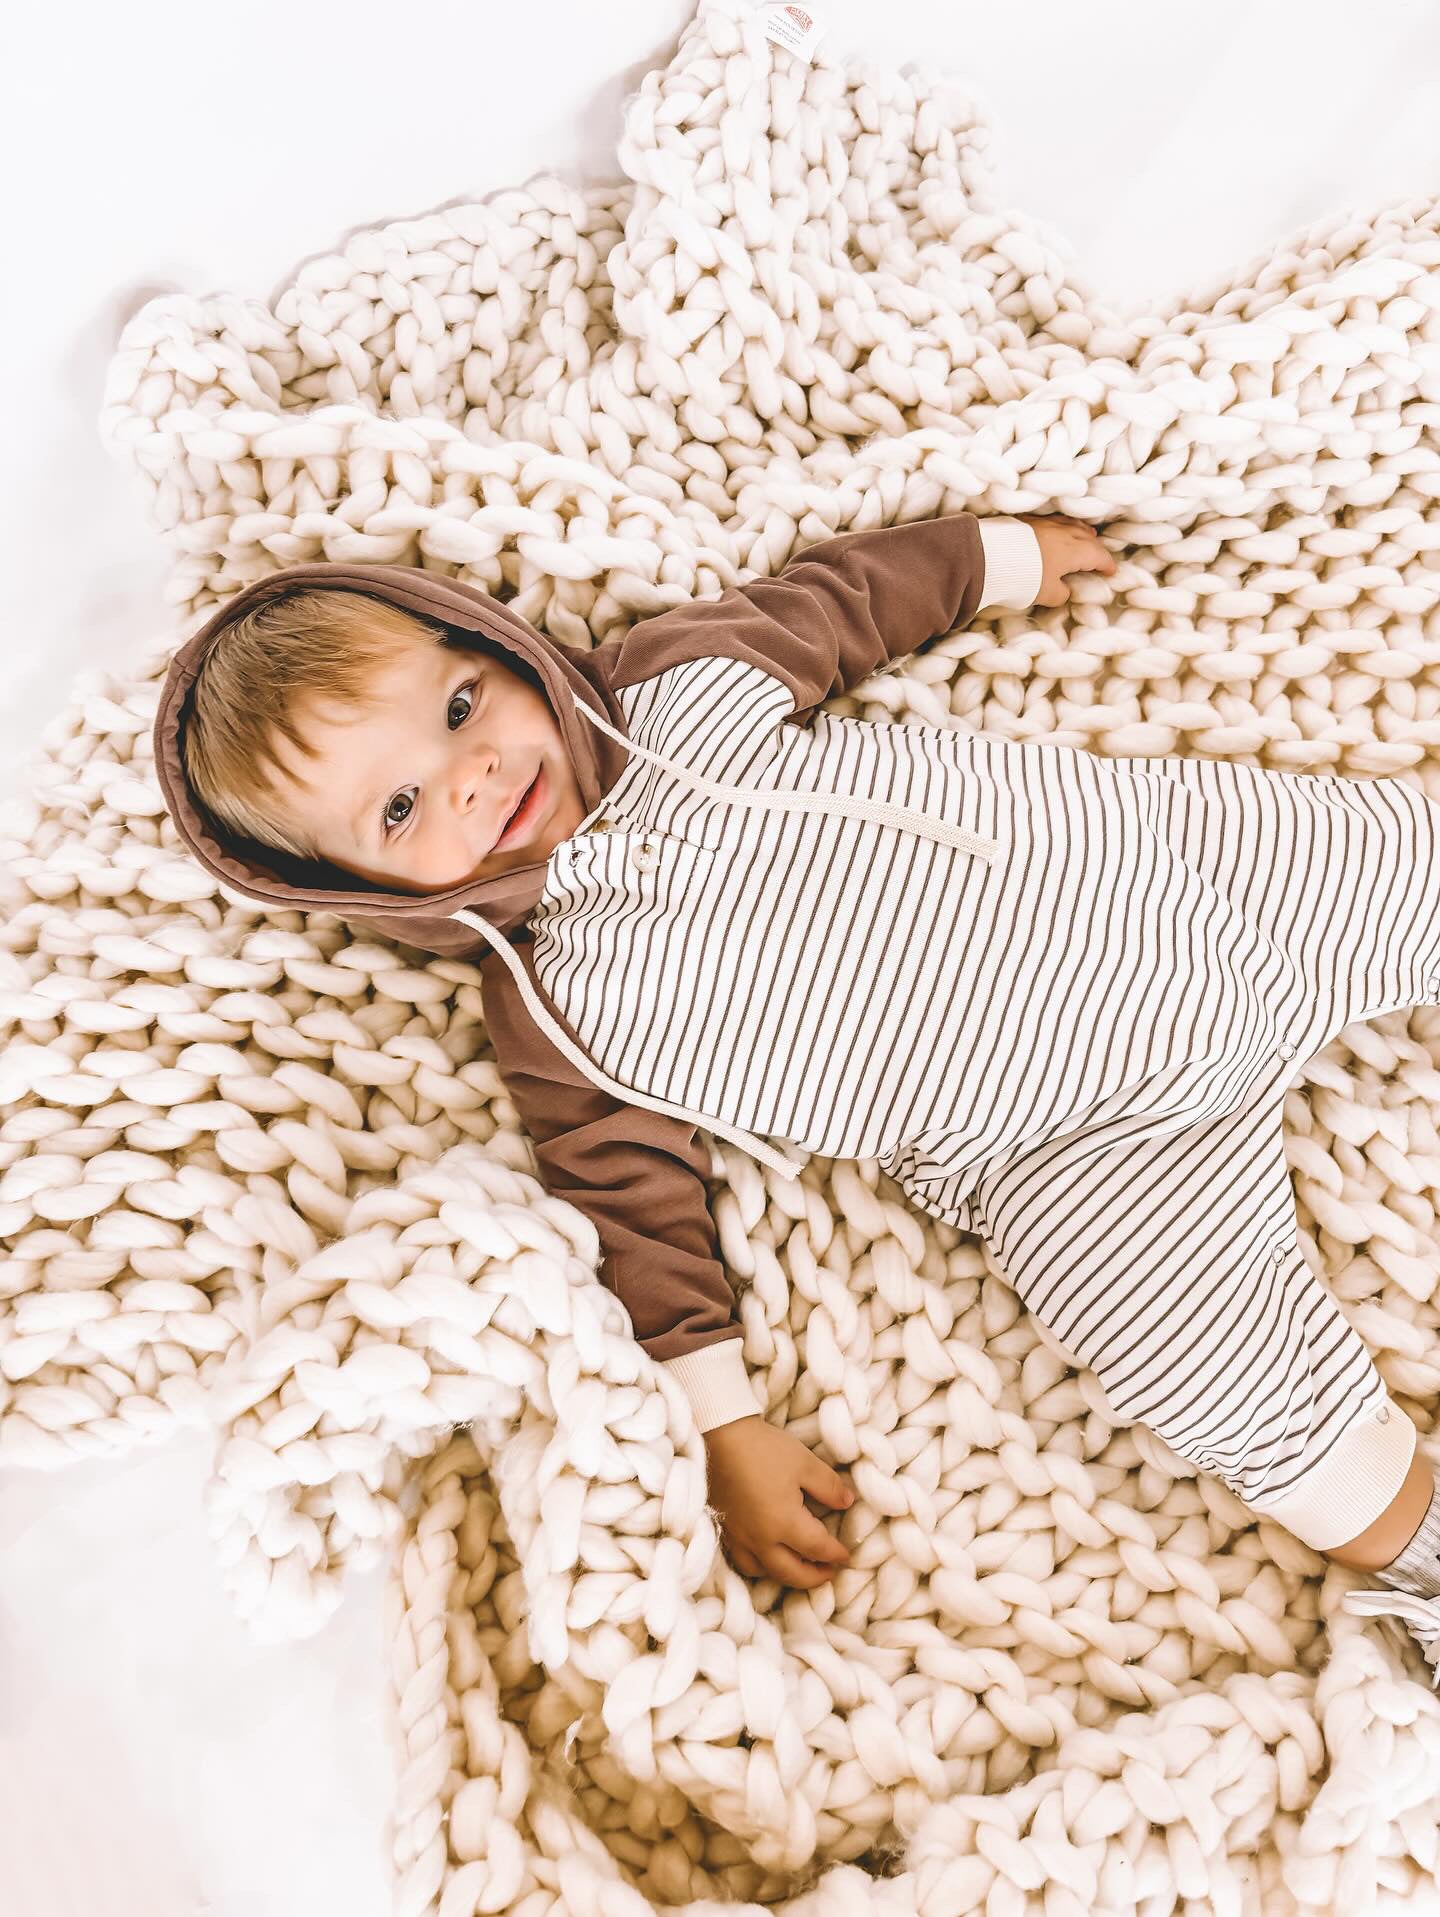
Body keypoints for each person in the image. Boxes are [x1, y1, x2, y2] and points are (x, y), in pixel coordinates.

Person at [154, 511, 1440, 1675]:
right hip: (1072, 1147)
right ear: (372, 895)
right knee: (1203, 1367)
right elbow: (631, 1206)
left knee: (1409, 863)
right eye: (398, 808)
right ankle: (1415, 1542)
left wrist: (993, 559)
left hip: (1203, 884)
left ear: (487, 643)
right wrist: (726, 1423)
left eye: (456, 708)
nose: (472, 776)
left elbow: (839, 601)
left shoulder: (673, 687)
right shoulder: (550, 1008)